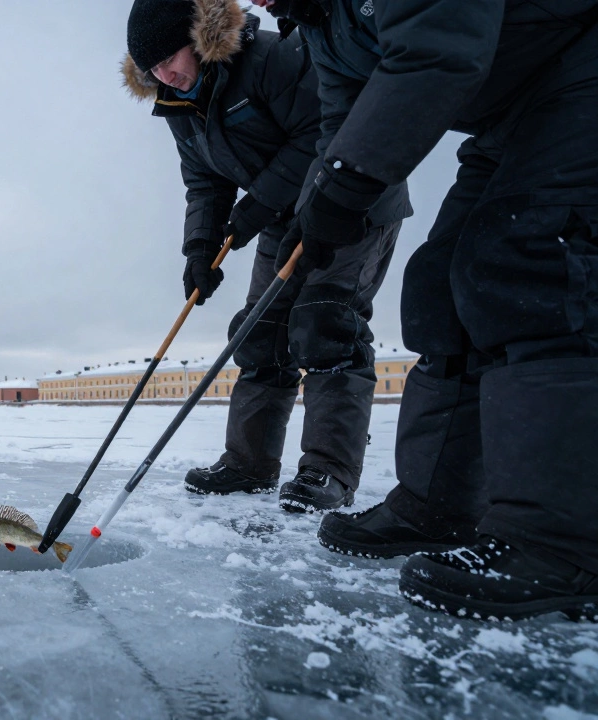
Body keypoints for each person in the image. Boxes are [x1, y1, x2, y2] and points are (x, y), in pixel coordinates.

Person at [257, 0, 598, 620]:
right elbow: (342, 124)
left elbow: (439, 49)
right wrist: (312, 218)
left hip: (578, 70)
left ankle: (563, 543)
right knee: (438, 285)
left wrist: (349, 181)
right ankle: (437, 506)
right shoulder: (319, 27)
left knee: (528, 260)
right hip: (508, 112)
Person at [124, 0, 410, 513]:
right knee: (258, 334)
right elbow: (205, 182)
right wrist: (200, 249)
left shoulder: (270, 58)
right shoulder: (178, 102)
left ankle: (327, 471)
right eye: (153, 70)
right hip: (284, 214)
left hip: (352, 198)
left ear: (196, 37)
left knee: (325, 322)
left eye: (170, 58)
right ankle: (249, 463)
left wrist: (256, 206)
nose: (165, 75)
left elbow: (321, 129)